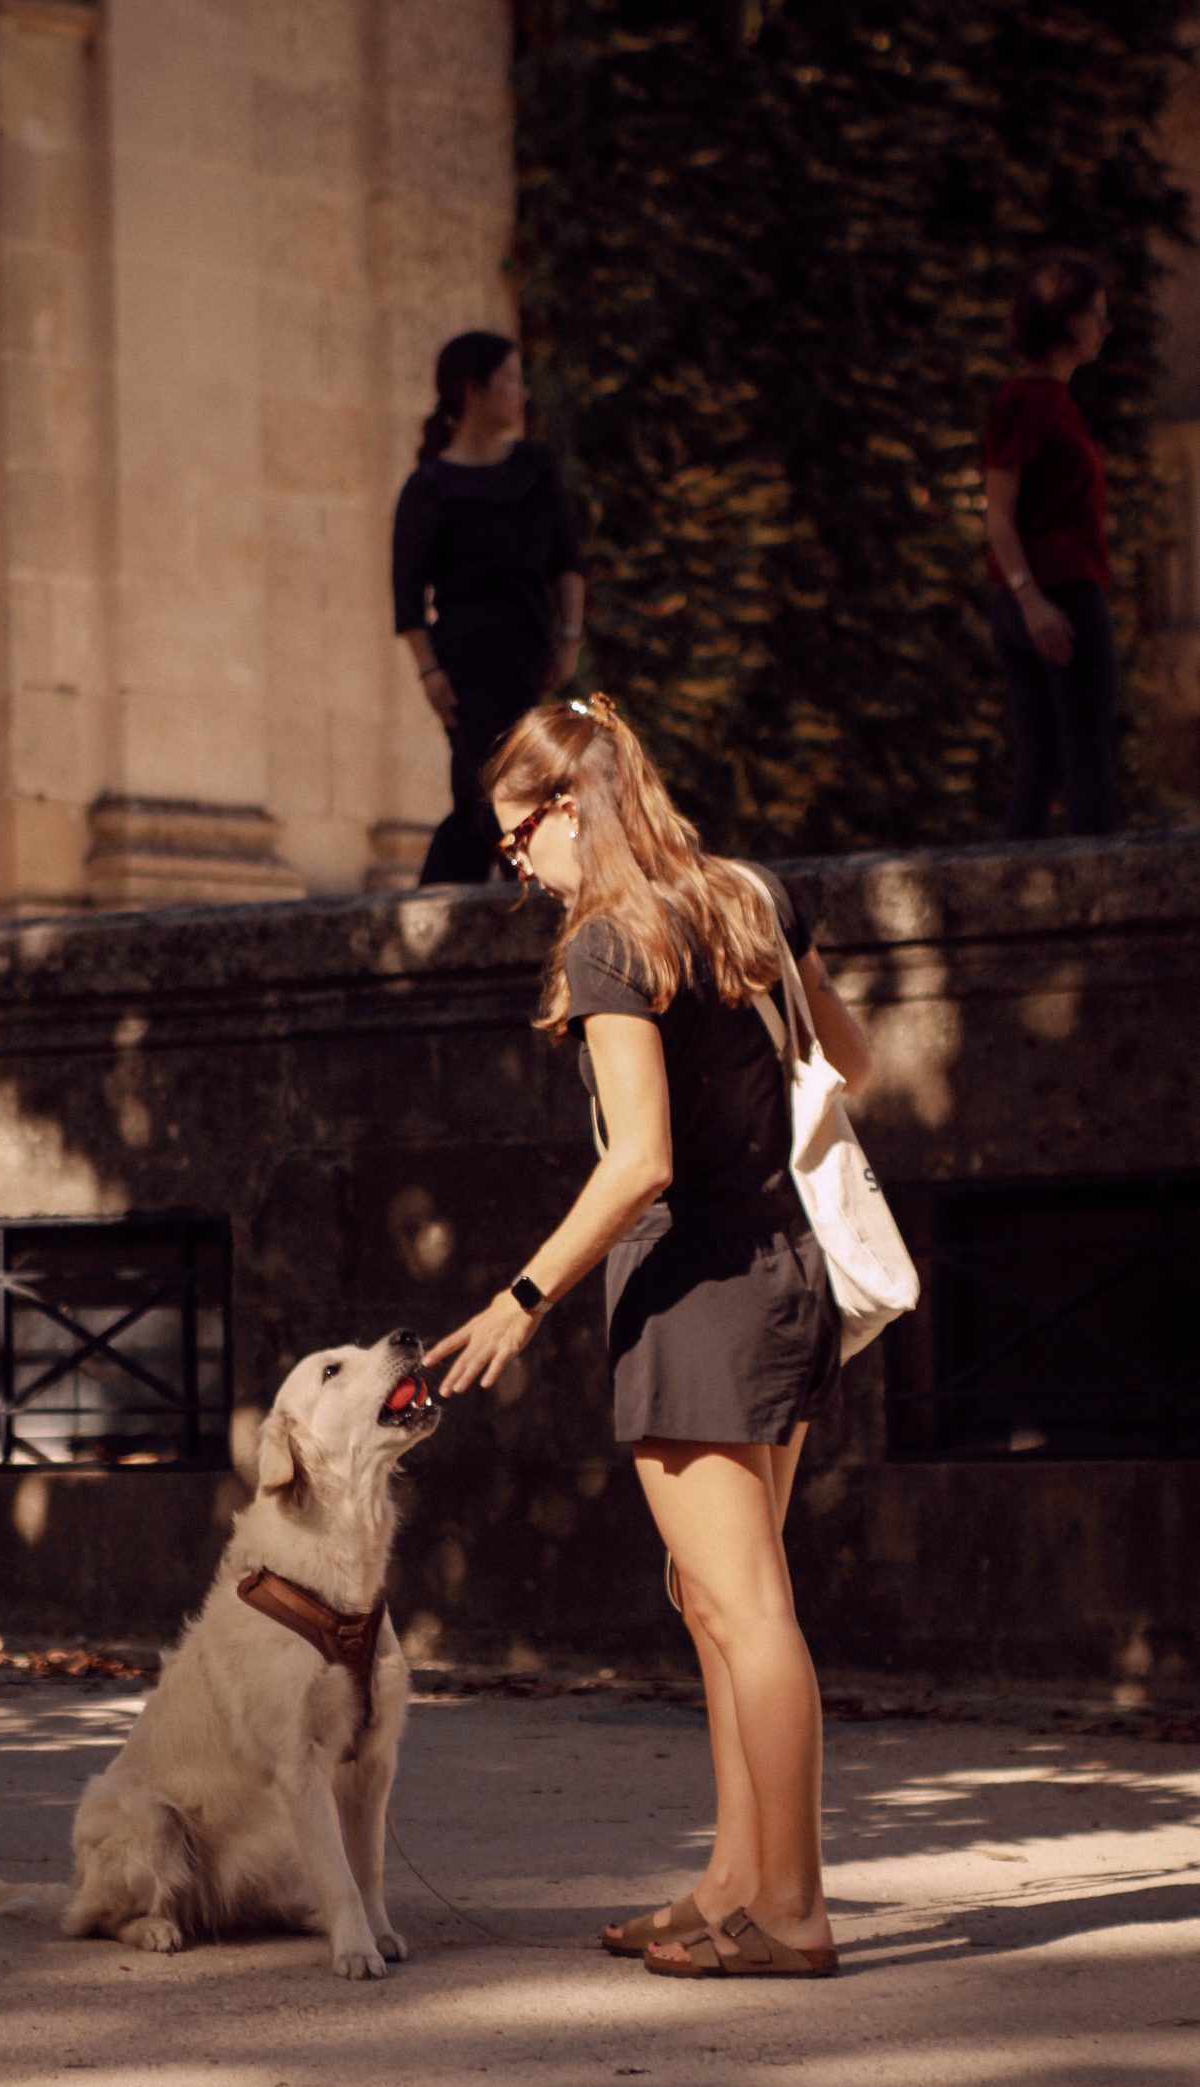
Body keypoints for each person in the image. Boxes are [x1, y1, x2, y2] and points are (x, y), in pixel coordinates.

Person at [427, 695, 873, 1980]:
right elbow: (851, 1061)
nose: (519, 871)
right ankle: (734, 1883)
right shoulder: (750, 896)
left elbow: (638, 1164)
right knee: (718, 1602)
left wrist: (517, 1305)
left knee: (747, 1609)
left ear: (568, 804)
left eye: (518, 842)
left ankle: (789, 1910)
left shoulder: (610, 942)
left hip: (696, 1291)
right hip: (786, 1272)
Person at [393, 332, 586, 886]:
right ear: (472, 389)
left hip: (525, 650)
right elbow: (407, 595)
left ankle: (478, 898)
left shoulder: (534, 467)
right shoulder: (429, 486)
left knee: (508, 781)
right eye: (509, 380)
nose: (522, 393)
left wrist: (568, 640)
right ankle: (492, 897)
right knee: (485, 786)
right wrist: (429, 669)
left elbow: (567, 561)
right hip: (464, 657)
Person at [982, 250, 1119, 840]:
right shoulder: (1025, 403)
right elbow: (1000, 513)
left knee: (1042, 762)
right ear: (1065, 322)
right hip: (1056, 597)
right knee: (1083, 753)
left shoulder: (1052, 401)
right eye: (1096, 313)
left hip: (1041, 598)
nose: (1106, 326)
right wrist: (1031, 600)